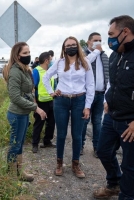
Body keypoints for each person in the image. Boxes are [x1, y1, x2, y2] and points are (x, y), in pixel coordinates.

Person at [94, 15, 134, 200]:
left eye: (111, 34)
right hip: (112, 115)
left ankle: (125, 197)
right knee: (103, 151)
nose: (108, 39)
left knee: (130, 164)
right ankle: (114, 183)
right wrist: (107, 99)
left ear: (125, 32)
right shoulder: (116, 54)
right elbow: (113, 81)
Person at [43, 36, 95, 178]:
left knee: (77, 135)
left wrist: (88, 106)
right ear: (64, 48)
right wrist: (51, 93)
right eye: (67, 45)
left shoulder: (85, 63)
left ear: (77, 46)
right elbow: (45, 77)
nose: (70, 47)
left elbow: (90, 85)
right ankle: (59, 163)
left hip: (80, 100)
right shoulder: (59, 63)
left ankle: (75, 164)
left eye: (73, 44)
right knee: (61, 134)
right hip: (61, 101)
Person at [3, 42, 47, 182]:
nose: (28, 55)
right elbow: (15, 97)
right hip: (16, 114)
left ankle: (19, 171)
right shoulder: (15, 72)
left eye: (29, 52)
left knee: (19, 143)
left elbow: (27, 91)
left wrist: (33, 101)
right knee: (15, 144)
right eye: (25, 53)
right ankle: (11, 175)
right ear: (17, 55)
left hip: (23, 113)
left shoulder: (24, 69)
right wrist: (36, 108)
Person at [81, 32, 109, 157]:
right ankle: (80, 146)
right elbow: (84, 65)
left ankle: (97, 147)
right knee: (84, 121)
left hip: (101, 94)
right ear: (88, 42)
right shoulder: (83, 55)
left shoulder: (104, 56)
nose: (98, 42)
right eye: (95, 40)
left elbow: (108, 76)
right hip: (87, 95)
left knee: (98, 122)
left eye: (100, 40)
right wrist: (96, 52)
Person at [31, 52, 56, 153]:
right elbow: (32, 88)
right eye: (50, 60)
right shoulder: (36, 71)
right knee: (39, 123)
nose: (51, 61)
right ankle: (35, 144)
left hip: (51, 101)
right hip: (41, 102)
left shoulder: (51, 71)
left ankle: (47, 141)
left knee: (51, 123)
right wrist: (35, 103)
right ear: (46, 61)